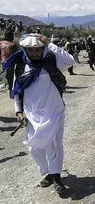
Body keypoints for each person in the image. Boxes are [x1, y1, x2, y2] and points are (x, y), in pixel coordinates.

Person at [2, 33, 74, 194]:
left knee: (54, 144)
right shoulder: (21, 65)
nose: (34, 53)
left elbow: (70, 61)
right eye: (31, 50)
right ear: (25, 50)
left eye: (37, 50)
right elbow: (17, 90)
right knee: (35, 147)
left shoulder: (52, 60)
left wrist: (50, 44)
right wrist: (18, 110)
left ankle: (56, 176)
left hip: (53, 110)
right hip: (31, 113)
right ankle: (48, 171)